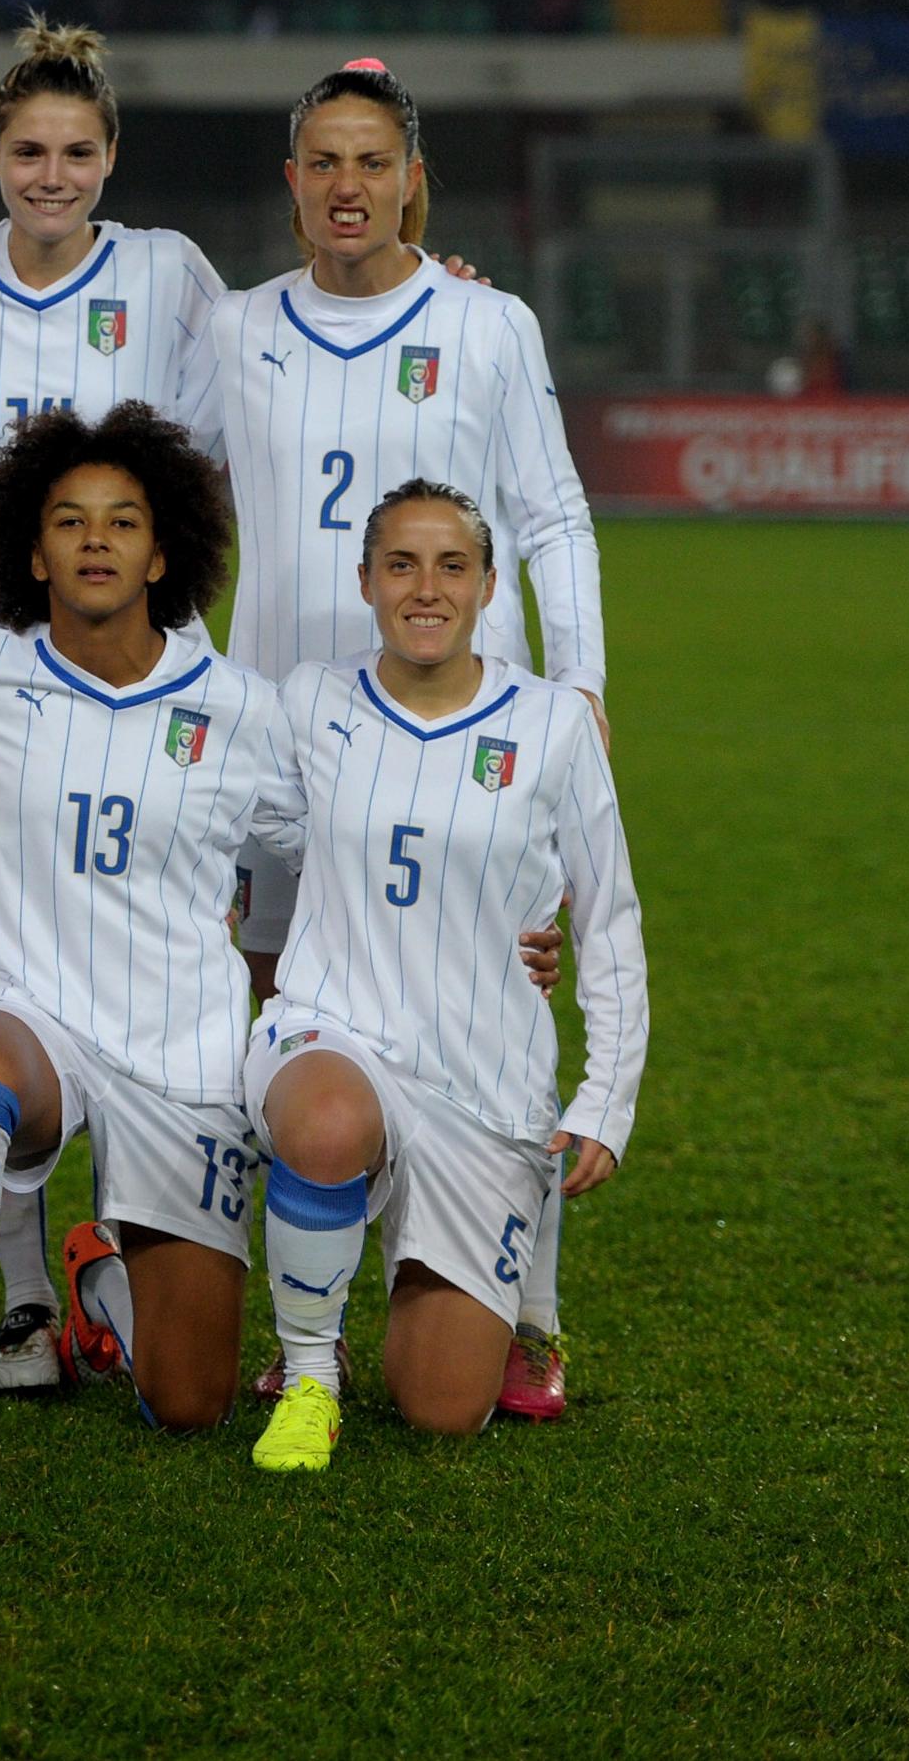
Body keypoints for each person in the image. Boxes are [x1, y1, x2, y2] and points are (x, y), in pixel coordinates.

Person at [175, 57, 606, 1421]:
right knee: (281, 1014)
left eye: (373, 163)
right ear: (291, 184)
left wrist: (580, 687)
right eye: (323, 164)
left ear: (411, 178)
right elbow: (164, 506)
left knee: (493, 1012)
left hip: (464, 734)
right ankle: (308, 1318)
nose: (347, 187)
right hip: (284, 748)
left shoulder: (486, 324)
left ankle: (524, 1309)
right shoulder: (236, 327)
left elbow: (548, 517)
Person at [0, 405, 290, 1468]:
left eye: (123, 521)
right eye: (69, 520)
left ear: (163, 551)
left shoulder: (237, 708)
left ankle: (98, 1281)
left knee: (190, 1407)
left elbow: (340, 840)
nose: (95, 539)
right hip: (30, 1008)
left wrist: (498, 929)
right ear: (30, 551)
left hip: (180, 1044)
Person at [0, 17, 228, 1392]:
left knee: (148, 942)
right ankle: (27, 1299)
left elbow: (235, 410)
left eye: (75, 150)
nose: (49, 173)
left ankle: (127, 1241)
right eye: (26, 150)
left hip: (129, 666)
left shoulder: (166, 273)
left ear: (109, 158)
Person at [243, 481, 645, 1471]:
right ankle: (307, 1375)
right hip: (335, 1031)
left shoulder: (552, 725)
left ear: (488, 586)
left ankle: (500, 1304)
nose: (426, 588)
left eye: (451, 565)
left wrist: (605, 1099)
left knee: (441, 1408)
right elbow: (250, 822)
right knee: (328, 1122)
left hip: (483, 1076)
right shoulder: (309, 701)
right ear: (368, 581)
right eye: (402, 565)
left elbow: (610, 913)